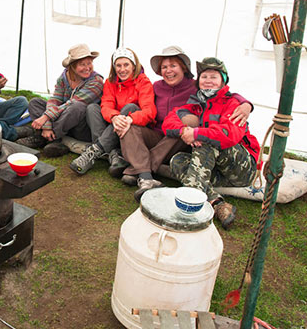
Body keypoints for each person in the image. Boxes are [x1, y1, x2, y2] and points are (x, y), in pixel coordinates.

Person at [119, 46, 252, 201]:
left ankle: (141, 169)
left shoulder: (198, 89)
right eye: (164, 67)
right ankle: (146, 175)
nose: (168, 70)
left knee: (192, 126)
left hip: (191, 145)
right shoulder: (163, 89)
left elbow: (225, 100)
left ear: (183, 68)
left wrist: (246, 103)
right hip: (163, 135)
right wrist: (125, 118)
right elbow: (167, 117)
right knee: (132, 126)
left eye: (173, 66)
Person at [162, 57, 261, 230]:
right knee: (177, 160)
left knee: (206, 141)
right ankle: (217, 203)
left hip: (242, 169)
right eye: (204, 76)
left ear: (223, 81)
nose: (208, 81)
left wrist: (197, 133)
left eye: (213, 77)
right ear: (198, 81)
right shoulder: (195, 104)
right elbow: (169, 121)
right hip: (216, 169)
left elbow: (230, 134)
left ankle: (189, 209)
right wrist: (184, 131)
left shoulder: (233, 103)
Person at [69, 47, 157, 180]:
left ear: (134, 66)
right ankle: (112, 153)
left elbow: (149, 111)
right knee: (92, 108)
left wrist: (129, 119)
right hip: (114, 127)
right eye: (118, 65)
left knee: (130, 107)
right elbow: (106, 105)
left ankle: (94, 151)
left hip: (132, 129)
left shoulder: (143, 81)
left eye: (126, 65)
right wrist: (115, 117)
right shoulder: (110, 82)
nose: (122, 69)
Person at [17, 44, 104, 157]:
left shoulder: (96, 81)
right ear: (72, 66)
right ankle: (52, 138)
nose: (87, 67)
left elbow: (72, 103)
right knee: (35, 103)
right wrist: (47, 125)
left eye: (89, 63)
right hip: (62, 118)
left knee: (77, 106)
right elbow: (55, 99)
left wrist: (46, 118)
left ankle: (44, 138)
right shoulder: (64, 77)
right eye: (82, 64)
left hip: (80, 126)